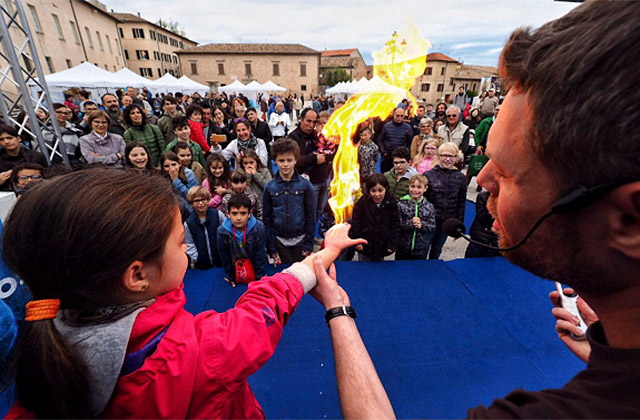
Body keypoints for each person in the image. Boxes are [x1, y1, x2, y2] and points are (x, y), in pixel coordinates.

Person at [1, 168, 366, 419]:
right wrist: (317, 260)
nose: (185, 249)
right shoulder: (194, 352)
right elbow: (258, 313)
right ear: (137, 275)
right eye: (179, 243)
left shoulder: (43, 354)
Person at [263, 138, 315, 265]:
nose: (285, 164)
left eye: (289, 160)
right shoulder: (270, 187)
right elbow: (267, 219)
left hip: (301, 239)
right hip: (279, 241)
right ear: (275, 161)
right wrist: (272, 248)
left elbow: (311, 217)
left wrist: (308, 244)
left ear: (295, 160)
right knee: (284, 276)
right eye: (281, 160)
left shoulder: (306, 186)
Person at [288, 108, 334, 222]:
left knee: (318, 211)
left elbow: (331, 152)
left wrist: (324, 157)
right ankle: (305, 238)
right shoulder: (293, 137)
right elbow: (294, 161)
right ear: (301, 119)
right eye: (309, 121)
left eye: (314, 122)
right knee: (306, 213)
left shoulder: (318, 135)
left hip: (323, 179)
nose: (311, 125)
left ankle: (311, 237)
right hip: (306, 183)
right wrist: (313, 158)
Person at [424, 143, 466, 260]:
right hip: (429, 220)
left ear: (456, 158)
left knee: (437, 249)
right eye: (444, 156)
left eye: (451, 156)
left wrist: (459, 225)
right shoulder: (428, 175)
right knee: (423, 247)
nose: (447, 159)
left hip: (447, 221)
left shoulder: (460, 177)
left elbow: (461, 202)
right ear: (439, 156)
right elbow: (423, 200)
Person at [217, 193, 268, 286]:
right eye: (234, 213)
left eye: (243, 213)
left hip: (254, 268)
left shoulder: (258, 228)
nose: (239, 218)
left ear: (250, 214)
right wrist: (231, 276)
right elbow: (225, 257)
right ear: (228, 214)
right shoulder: (222, 231)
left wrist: (259, 278)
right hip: (236, 269)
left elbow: (260, 255)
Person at [351, 173, 400, 261]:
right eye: (373, 191)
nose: (377, 194)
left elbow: (395, 224)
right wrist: (357, 241)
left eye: (380, 190)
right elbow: (356, 223)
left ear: (386, 189)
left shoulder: (391, 202)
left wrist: (392, 244)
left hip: (382, 244)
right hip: (365, 243)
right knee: (364, 265)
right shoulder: (362, 203)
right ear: (368, 191)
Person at [396, 174, 436, 260]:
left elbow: (432, 226)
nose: (415, 190)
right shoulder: (401, 204)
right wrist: (411, 223)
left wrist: (422, 225)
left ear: (425, 188)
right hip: (403, 247)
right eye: (412, 186)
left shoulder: (429, 207)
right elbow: (397, 225)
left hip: (420, 249)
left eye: (419, 187)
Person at [184, 186, 225, 270]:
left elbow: (226, 232)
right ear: (191, 204)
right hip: (202, 264)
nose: (201, 203)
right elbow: (189, 243)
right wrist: (197, 258)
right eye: (196, 201)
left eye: (203, 199)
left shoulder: (217, 215)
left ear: (208, 200)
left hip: (221, 260)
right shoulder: (189, 223)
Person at [0, 126, 46, 191]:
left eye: (9, 138)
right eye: (1, 139)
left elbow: (47, 177)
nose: (6, 141)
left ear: (18, 139)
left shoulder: (36, 156)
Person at [159, 152, 199, 218]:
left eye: (174, 164)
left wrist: (175, 180)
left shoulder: (188, 173)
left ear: (179, 164)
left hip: (189, 210)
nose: (171, 169)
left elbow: (191, 196)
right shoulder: (161, 176)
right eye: (166, 166)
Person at [464, 190, 500, 258]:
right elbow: (482, 216)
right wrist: (494, 205)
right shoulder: (483, 196)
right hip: (480, 237)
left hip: (496, 240)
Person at [377, 107, 414, 173]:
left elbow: (410, 142)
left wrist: (405, 153)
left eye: (401, 116)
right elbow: (380, 140)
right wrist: (384, 151)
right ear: (394, 115)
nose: (399, 117)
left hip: (401, 158)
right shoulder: (386, 126)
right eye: (397, 116)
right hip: (387, 158)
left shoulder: (408, 128)